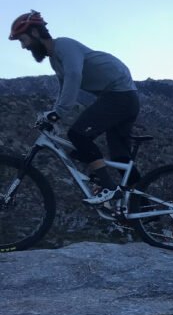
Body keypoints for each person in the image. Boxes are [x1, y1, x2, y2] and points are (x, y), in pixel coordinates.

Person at [9, 10, 140, 204]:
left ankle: (109, 188)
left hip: (120, 94)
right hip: (122, 98)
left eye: (23, 39)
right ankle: (143, 210)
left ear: (35, 33)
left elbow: (73, 77)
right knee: (120, 157)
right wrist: (54, 116)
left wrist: (58, 113)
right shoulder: (55, 59)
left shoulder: (64, 45)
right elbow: (64, 89)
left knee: (78, 135)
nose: (23, 46)